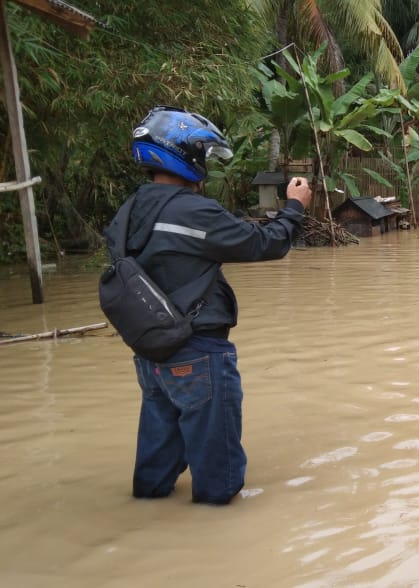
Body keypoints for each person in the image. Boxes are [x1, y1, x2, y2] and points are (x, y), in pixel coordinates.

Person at [104, 106, 312, 505]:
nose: (204, 163)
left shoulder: (127, 211)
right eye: (201, 153)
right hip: (198, 352)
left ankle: (147, 525)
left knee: (155, 465)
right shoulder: (192, 209)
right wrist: (295, 206)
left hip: (151, 354)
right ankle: (216, 541)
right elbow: (265, 244)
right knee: (219, 480)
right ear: (183, 155)